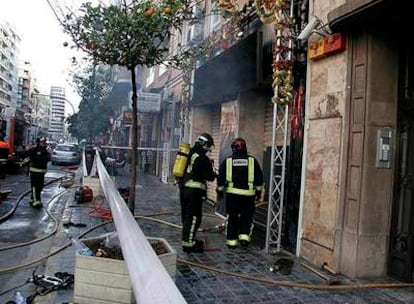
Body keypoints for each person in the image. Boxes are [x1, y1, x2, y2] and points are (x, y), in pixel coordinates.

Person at [216, 137, 263, 249]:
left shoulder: (228, 161)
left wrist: (220, 192)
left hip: (232, 196)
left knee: (232, 217)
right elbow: (259, 178)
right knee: (246, 217)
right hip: (248, 196)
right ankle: (244, 239)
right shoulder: (252, 161)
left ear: (233, 149)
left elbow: (221, 178)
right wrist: (258, 192)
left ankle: (232, 242)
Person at [180, 133, 217, 253]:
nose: (209, 150)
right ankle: (188, 244)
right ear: (205, 145)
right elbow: (210, 177)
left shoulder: (189, 153)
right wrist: (214, 172)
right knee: (194, 218)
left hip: (184, 190)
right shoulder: (202, 157)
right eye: (209, 147)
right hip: (194, 192)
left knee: (186, 217)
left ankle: (188, 240)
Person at [21, 137, 51, 208]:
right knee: (35, 187)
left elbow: (48, 159)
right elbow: (24, 155)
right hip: (34, 171)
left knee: (40, 187)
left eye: (44, 142)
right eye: (42, 142)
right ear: (38, 142)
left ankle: (32, 198)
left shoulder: (45, 151)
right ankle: (36, 201)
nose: (44, 143)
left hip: (42, 173)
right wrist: (26, 162)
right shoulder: (34, 149)